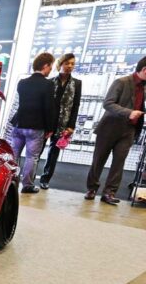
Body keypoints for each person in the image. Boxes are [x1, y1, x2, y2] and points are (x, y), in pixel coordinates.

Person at [85, 56, 146, 204]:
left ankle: (109, 193)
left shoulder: (144, 87)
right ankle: (92, 189)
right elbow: (108, 103)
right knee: (99, 160)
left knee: (119, 162)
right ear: (144, 69)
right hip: (109, 128)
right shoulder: (122, 82)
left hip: (129, 130)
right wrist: (128, 112)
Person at [8, 52, 56, 193]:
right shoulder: (48, 84)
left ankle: (10, 181)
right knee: (31, 157)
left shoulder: (22, 83)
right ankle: (27, 185)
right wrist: (50, 128)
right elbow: (49, 108)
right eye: (51, 66)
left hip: (19, 124)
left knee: (14, 154)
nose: (51, 70)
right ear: (45, 66)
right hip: (36, 126)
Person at [39, 53, 82, 189]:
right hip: (47, 121)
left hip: (63, 123)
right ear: (60, 64)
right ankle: (30, 176)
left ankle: (45, 179)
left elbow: (75, 106)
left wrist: (71, 126)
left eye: (72, 64)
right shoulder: (50, 81)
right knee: (38, 149)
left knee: (54, 153)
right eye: (67, 63)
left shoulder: (77, 83)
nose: (70, 66)